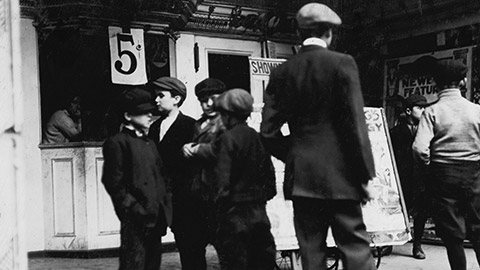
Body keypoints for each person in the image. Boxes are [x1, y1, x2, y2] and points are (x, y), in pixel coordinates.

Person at [260, 3, 376, 270]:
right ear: (328, 32)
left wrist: (297, 153)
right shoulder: (342, 63)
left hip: (302, 178)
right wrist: (365, 176)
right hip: (343, 176)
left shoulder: (281, 72)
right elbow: (355, 126)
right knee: (355, 248)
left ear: (299, 33)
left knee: (311, 251)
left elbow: (267, 133)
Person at [413, 59, 480, 270]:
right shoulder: (477, 110)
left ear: (435, 83)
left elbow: (419, 148)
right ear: (463, 81)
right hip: (474, 175)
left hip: (442, 175)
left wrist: (429, 165)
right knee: (479, 230)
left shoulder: (431, 112)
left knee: (453, 235)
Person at [101, 87, 171, 270]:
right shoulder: (117, 143)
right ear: (128, 116)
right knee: (134, 265)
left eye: (151, 112)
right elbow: (114, 183)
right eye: (144, 113)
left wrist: (164, 207)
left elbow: (160, 177)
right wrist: (134, 208)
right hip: (135, 220)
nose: (150, 116)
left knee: (152, 265)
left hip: (156, 218)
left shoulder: (149, 143)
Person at [213, 88, 277, 270]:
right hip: (259, 212)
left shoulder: (227, 139)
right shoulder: (257, 138)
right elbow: (270, 179)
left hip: (234, 214)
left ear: (227, 115)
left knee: (235, 262)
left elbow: (221, 180)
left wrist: (219, 205)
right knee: (261, 262)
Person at [146, 77, 197, 269]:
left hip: (182, 199)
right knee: (150, 247)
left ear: (176, 99)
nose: (156, 100)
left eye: (161, 96)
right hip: (157, 199)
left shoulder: (190, 126)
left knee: (189, 249)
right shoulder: (154, 127)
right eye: (155, 96)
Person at [178, 78, 227, 270]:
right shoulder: (197, 125)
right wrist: (185, 147)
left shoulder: (230, 124)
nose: (208, 104)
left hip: (220, 198)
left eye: (213, 99)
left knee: (228, 252)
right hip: (197, 198)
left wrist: (199, 149)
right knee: (193, 251)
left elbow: (225, 151)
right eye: (202, 100)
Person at [390, 94, 429, 259]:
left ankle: (417, 246)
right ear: (408, 110)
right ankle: (388, 244)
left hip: (421, 178)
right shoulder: (396, 132)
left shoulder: (427, 130)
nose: (423, 111)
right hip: (402, 177)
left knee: (421, 212)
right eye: (420, 108)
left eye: (425, 108)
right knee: (396, 210)